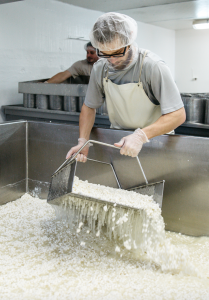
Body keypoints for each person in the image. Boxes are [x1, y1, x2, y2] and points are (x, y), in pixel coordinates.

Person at [66, 12, 186, 162]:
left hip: (157, 141)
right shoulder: (100, 68)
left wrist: (140, 136)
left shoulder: (152, 67)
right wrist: (83, 141)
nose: (112, 60)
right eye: (105, 54)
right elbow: (89, 107)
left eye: (117, 53)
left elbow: (178, 114)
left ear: (129, 41)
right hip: (119, 142)